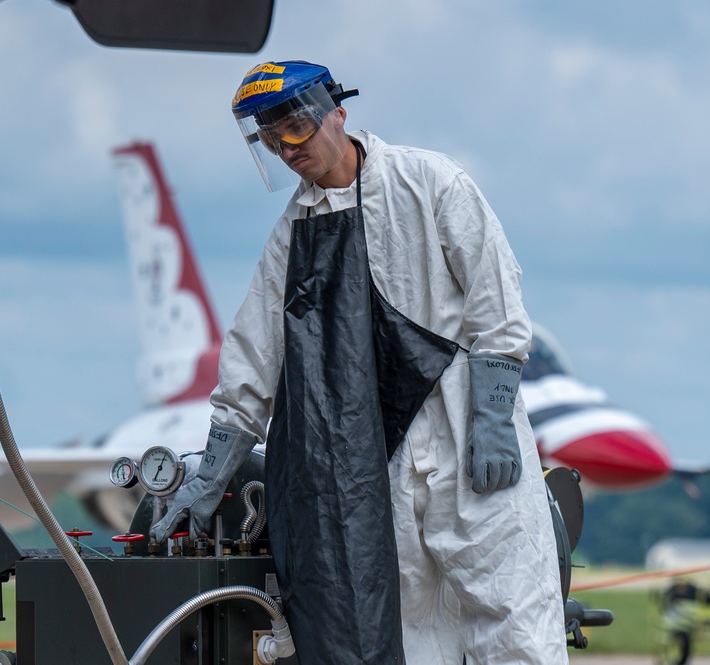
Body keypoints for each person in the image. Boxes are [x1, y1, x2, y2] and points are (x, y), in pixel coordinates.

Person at [151, 60, 569, 664]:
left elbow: (495, 299)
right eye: (270, 140)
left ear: (337, 114)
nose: (286, 150)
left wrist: (494, 415)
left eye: (294, 130)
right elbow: (252, 355)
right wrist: (212, 473)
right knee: (410, 619)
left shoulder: (429, 183)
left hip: (462, 429)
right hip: (378, 458)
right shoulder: (293, 233)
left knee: (511, 604)